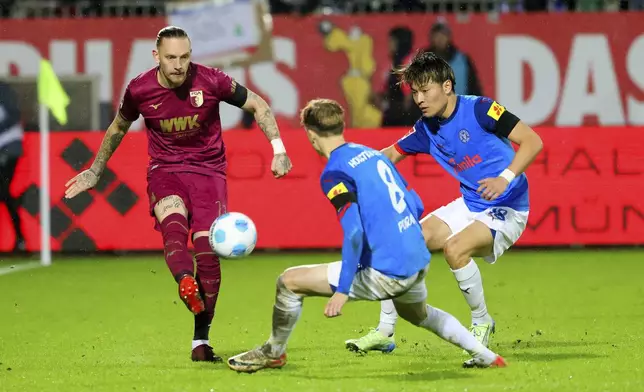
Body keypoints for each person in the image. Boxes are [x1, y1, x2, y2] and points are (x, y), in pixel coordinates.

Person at [226, 98, 506, 373]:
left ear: (311, 135)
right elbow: (416, 203)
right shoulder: (372, 155)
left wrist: (343, 289)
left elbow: (354, 231)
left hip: (391, 272)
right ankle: (485, 355)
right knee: (418, 314)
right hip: (418, 258)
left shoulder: (334, 172)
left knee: (288, 282)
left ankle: (273, 352)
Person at [63, 26, 292, 362]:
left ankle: (200, 338)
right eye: (171, 57)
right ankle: (187, 285)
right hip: (165, 172)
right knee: (173, 227)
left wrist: (278, 148)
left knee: (208, 256)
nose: (179, 64)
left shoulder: (211, 80)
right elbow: (118, 127)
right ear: (156, 56)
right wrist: (95, 169)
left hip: (209, 175)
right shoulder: (140, 89)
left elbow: (257, 104)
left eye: (184, 57)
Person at [345, 51, 543, 354]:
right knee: (401, 243)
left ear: (447, 86)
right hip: (471, 203)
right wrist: (356, 168)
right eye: (416, 92)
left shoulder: (480, 109)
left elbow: (532, 141)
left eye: (426, 90)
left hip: (509, 205)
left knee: (455, 249)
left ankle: (481, 321)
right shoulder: (427, 128)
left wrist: (505, 177)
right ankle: (385, 331)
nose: (420, 99)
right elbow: (391, 154)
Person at [0, 80, 26, 252]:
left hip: (9, 147)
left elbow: (14, 115)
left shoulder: (3, 90)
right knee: (4, 194)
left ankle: (20, 239)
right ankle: (20, 238)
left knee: (3, 192)